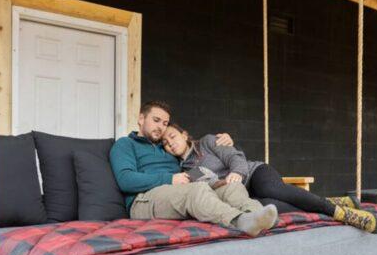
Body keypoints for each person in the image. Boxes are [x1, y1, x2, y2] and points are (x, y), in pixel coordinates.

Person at [161, 124, 377, 234]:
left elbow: (235, 157)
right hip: (243, 194)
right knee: (271, 207)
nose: (170, 142)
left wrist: (237, 173)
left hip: (253, 173)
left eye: (172, 136)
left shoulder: (208, 142)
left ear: (184, 134)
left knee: (273, 190)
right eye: (165, 143)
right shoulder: (185, 171)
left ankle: (343, 214)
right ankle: (327, 203)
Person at [109, 101, 278, 237]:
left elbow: (193, 163)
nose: (161, 126)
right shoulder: (125, 144)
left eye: (165, 123)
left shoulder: (167, 148)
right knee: (196, 190)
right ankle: (238, 221)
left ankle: (257, 216)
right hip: (144, 200)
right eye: (156, 120)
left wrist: (225, 144)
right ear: (141, 119)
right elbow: (125, 180)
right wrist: (170, 179)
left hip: (177, 193)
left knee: (231, 187)